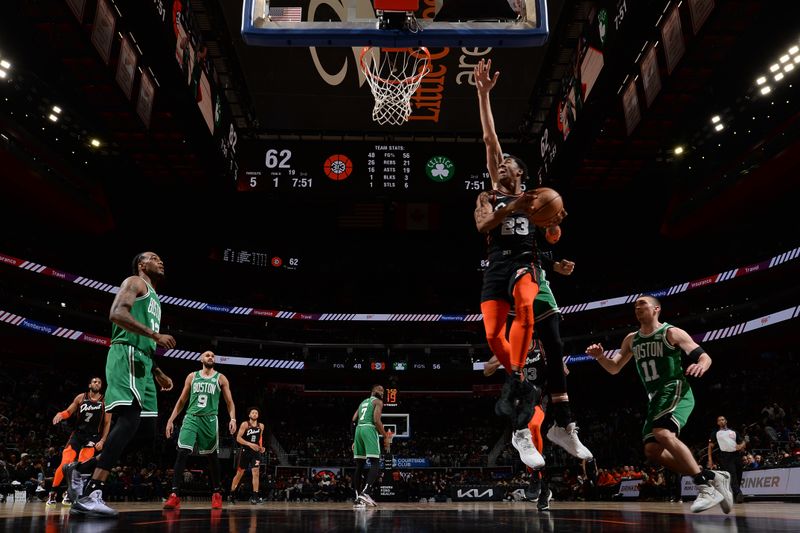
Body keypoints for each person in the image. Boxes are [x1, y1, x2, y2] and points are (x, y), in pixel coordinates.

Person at [473, 58, 566, 422]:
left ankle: (533, 389)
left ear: (520, 173)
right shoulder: (492, 196)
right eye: (498, 163)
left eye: (507, 162)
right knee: (494, 334)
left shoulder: (538, 199)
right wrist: (483, 95)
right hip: (498, 264)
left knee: (526, 304)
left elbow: (552, 234)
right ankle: (517, 381)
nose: (500, 164)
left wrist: (555, 233)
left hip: (526, 264)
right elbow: (489, 139)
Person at [585, 295, 734, 513]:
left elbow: (703, 356)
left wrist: (701, 364)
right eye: (635, 306)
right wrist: (600, 357)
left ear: (656, 309)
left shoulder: (671, 332)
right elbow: (614, 368)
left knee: (663, 433)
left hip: (675, 389)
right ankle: (713, 476)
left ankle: (704, 487)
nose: (637, 308)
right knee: (652, 450)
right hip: (655, 397)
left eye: (642, 304)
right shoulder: (631, 339)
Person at [69, 251, 176, 517]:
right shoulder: (135, 282)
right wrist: (154, 334)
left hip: (144, 364)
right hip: (126, 354)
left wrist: (157, 371)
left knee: (146, 431)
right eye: (153, 257)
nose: (160, 260)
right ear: (141, 264)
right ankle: (93, 491)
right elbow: (117, 314)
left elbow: (147, 340)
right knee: (128, 419)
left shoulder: (156, 299)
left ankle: (82, 468)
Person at [531, 223, 592, 460]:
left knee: (556, 347)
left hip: (539, 283)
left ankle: (564, 424)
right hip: (509, 283)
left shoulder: (536, 232)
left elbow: (539, 255)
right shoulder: (501, 214)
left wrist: (555, 265)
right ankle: (520, 431)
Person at [163, 350, 237, 510]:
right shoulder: (192, 376)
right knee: (182, 452)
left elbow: (229, 401)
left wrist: (233, 418)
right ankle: (174, 495)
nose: (210, 357)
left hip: (210, 419)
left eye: (213, 355)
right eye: (207, 355)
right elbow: (182, 399)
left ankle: (216, 493)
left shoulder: (221, 378)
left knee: (211, 457)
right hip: (191, 417)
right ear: (201, 359)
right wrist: (171, 419)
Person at [484, 338, 552, 511]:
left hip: (539, 398)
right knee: (527, 444)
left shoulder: (541, 345)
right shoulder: (509, 348)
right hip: (519, 403)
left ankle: (537, 476)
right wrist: (501, 358)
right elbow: (486, 370)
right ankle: (543, 487)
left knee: (534, 427)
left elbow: (560, 368)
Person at [48, 377, 110, 506]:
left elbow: (107, 423)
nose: (97, 383)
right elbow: (69, 411)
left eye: (99, 382)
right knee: (66, 462)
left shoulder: (105, 401)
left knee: (81, 466)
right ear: (89, 385)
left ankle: (68, 494)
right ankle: (53, 492)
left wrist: (103, 440)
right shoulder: (81, 397)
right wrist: (61, 414)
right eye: (94, 381)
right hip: (77, 435)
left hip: (93, 437)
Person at [351, 385, 391, 508]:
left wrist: (354, 439)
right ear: (373, 391)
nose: (382, 393)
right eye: (380, 390)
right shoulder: (378, 402)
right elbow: (376, 420)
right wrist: (385, 436)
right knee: (375, 462)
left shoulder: (363, 402)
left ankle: (358, 498)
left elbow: (353, 420)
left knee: (360, 464)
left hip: (358, 429)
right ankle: (366, 492)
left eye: (383, 391)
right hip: (369, 428)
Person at [229, 407, 266, 504]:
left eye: (256, 413)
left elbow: (260, 437)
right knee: (239, 474)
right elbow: (238, 438)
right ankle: (232, 493)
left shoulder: (261, 426)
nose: (254, 414)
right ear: (249, 415)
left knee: (256, 473)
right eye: (252, 413)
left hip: (255, 453)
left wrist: (261, 447)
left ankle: (255, 497)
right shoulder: (245, 424)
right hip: (245, 451)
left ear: (258, 415)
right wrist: (250, 444)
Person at [708, 415, 745, 503]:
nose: (721, 421)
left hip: (736, 455)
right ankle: (738, 493)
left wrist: (741, 446)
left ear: (726, 421)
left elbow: (742, 441)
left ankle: (737, 495)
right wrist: (710, 459)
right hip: (725, 456)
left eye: (723, 419)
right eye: (719, 420)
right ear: (717, 423)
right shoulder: (715, 433)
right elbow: (710, 447)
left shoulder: (733, 432)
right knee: (732, 475)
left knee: (739, 473)